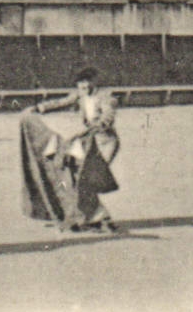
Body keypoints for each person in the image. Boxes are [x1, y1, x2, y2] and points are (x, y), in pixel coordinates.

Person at [18, 67, 118, 231]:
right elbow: (60, 102)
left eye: (87, 81)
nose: (84, 85)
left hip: (104, 142)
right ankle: (91, 216)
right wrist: (38, 108)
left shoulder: (106, 97)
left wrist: (98, 125)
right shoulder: (79, 95)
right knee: (78, 177)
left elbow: (108, 115)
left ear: (95, 80)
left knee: (85, 177)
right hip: (86, 141)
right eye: (80, 82)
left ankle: (100, 218)